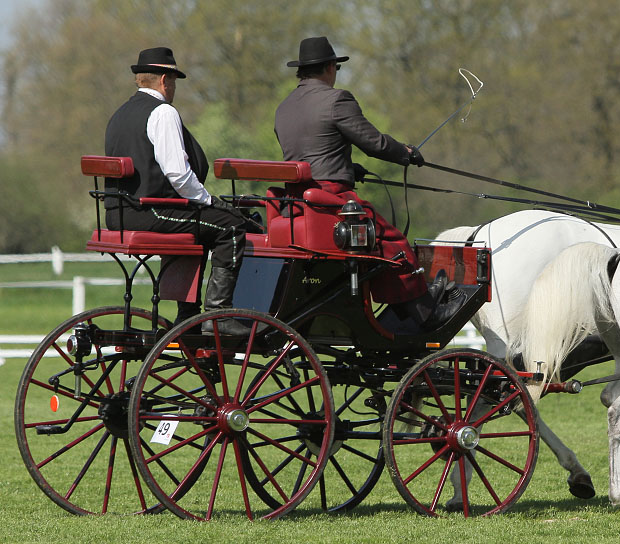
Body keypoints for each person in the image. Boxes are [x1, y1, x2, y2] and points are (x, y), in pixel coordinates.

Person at [274, 36, 464, 330]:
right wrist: (406, 153)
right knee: (392, 242)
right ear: (329, 67)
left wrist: (348, 167)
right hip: (329, 200)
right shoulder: (336, 100)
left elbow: (309, 152)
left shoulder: (284, 108)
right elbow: (374, 143)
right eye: (335, 67)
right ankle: (424, 312)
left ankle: (403, 306)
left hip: (295, 203)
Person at [104, 47, 256, 336]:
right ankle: (218, 314)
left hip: (117, 213)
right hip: (148, 211)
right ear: (164, 80)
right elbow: (177, 172)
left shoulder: (119, 115)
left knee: (202, 224)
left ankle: (187, 315)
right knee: (231, 226)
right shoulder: (162, 112)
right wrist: (208, 200)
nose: (174, 88)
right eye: (174, 81)